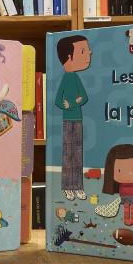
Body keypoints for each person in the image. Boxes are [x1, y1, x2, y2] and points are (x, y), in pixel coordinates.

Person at [55, 35, 92, 201]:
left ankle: (78, 187)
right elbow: (58, 100)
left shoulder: (76, 78)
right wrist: (68, 105)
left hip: (78, 119)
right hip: (67, 120)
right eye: (83, 51)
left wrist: (76, 102)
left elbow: (84, 97)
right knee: (67, 153)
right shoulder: (66, 78)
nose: (89, 53)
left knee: (77, 153)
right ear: (69, 57)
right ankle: (67, 187)